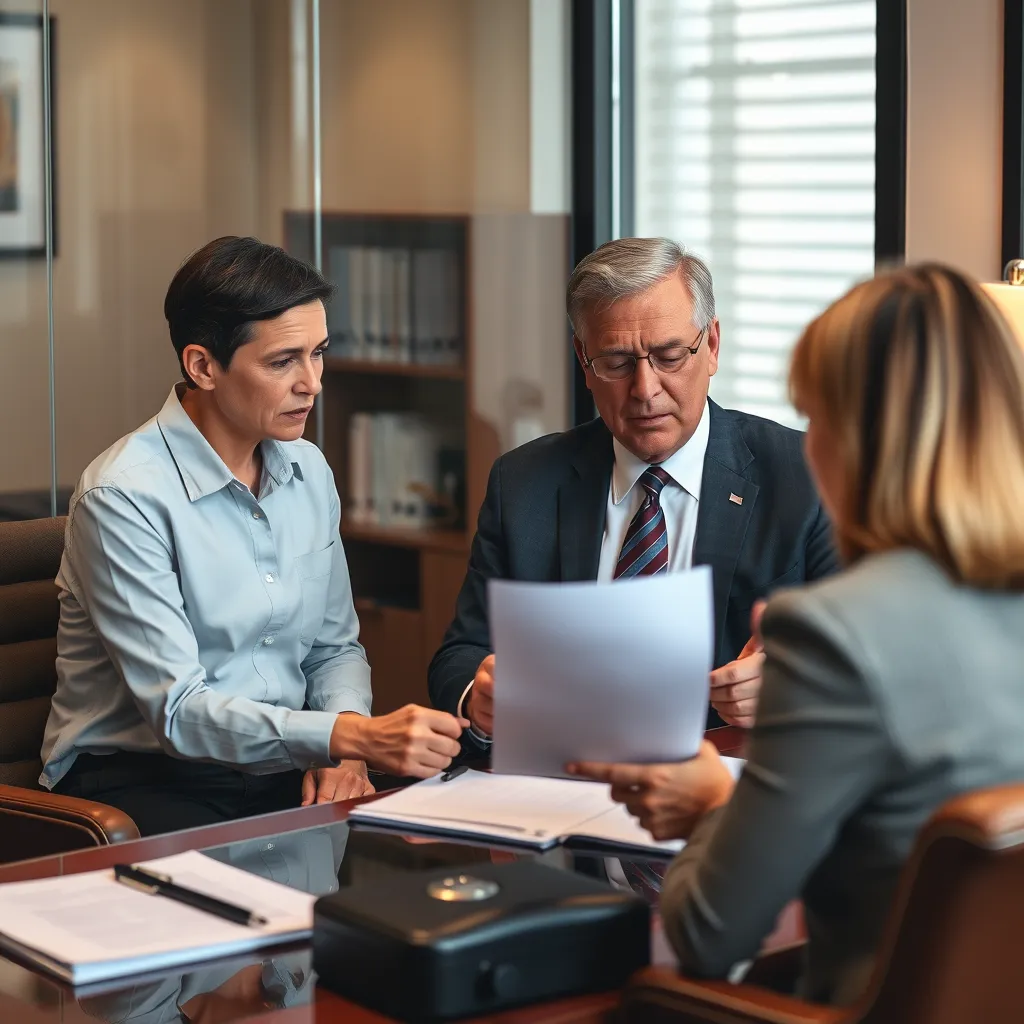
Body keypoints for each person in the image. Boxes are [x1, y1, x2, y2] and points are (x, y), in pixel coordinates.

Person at [571, 263, 1024, 1006]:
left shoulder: (838, 634)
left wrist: (717, 805)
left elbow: (706, 934)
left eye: (816, 418)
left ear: (854, 437)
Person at [41, 236, 465, 835]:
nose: (312, 383)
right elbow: (179, 713)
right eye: (282, 361)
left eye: (318, 353)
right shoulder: (123, 496)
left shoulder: (308, 470)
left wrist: (342, 749)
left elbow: (334, 648)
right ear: (202, 366)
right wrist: (353, 734)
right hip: (142, 780)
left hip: (280, 760)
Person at [429, 237, 837, 747]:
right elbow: (461, 655)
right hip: (562, 781)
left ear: (711, 346)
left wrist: (792, 685)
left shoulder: (807, 476)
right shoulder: (525, 482)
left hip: (727, 790)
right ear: (584, 361)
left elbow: (873, 664)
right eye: (618, 363)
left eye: (668, 356)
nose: (645, 389)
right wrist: (480, 698)